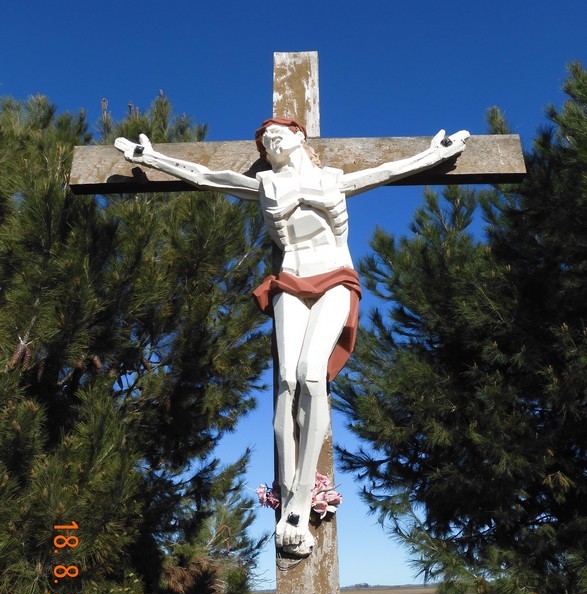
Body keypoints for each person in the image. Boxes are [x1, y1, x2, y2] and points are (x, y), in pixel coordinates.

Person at [115, 119, 468, 556]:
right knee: (286, 383)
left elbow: (390, 171)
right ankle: (286, 499)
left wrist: (433, 155)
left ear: (301, 137)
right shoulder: (263, 183)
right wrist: (151, 158)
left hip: (335, 279)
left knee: (310, 374)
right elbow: (206, 176)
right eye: (265, 140)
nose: (271, 140)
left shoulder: (331, 179)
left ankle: (302, 500)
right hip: (289, 281)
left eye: (278, 132)